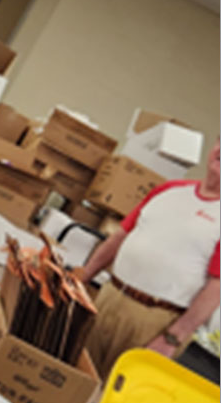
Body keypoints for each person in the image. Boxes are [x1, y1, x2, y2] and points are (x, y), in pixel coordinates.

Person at [75, 137, 220, 380]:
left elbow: (216, 287)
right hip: (110, 297)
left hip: (156, 321)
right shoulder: (168, 191)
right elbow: (118, 238)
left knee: (118, 398)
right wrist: (81, 278)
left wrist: (173, 337)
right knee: (73, 378)